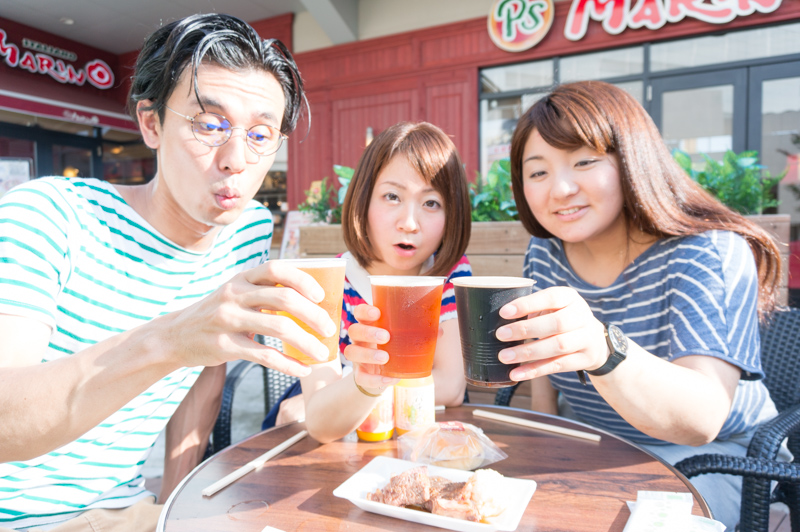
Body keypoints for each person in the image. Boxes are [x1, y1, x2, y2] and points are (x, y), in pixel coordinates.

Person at [0, 14, 336, 532]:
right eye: (209, 124)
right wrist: (172, 339)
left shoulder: (246, 230)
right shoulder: (51, 215)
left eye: (260, 134)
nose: (236, 159)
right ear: (152, 124)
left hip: (125, 511)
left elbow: (207, 369)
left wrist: (172, 508)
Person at [495, 80, 787, 529]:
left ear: (633, 160)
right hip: (599, 446)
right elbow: (546, 371)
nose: (561, 189)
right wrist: (542, 445)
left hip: (713, 459)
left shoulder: (707, 252)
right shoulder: (545, 253)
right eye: (538, 172)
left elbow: (702, 418)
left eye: (584, 161)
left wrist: (603, 349)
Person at [273, 122, 472, 443]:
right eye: (392, 196)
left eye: (431, 203)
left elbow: (450, 387)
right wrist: (325, 404)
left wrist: (339, 398)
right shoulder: (329, 283)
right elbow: (322, 420)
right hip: (339, 443)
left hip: (408, 438)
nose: (409, 223)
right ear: (363, 199)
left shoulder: (449, 274)